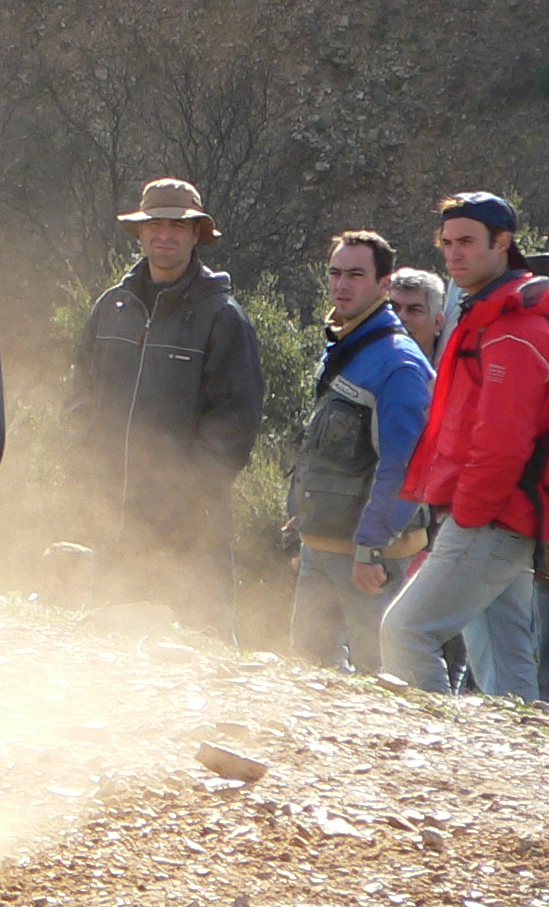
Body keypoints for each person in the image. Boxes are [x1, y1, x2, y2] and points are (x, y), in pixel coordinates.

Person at [73, 178, 266, 637]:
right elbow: (82, 394)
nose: (165, 235)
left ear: (197, 234)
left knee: (202, 648)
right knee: (113, 647)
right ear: (139, 234)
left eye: (177, 227)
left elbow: (236, 421)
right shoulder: (111, 307)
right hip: (114, 513)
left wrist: (187, 490)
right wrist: (86, 468)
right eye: (155, 225)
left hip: (192, 526)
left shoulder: (223, 316)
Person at [381, 192, 549, 698]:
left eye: (468, 242)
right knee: (502, 659)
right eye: (448, 243)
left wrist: (467, 515)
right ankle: (517, 769)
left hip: (490, 515)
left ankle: (427, 757)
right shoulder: (493, 316)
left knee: (405, 631)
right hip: (497, 513)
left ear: (503, 243)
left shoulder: (513, 329)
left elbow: (503, 443)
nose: (455, 254)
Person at [284, 229, 432, 671]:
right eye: (334, 273)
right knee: (311, 675)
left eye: (355, 274)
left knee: (379, 678)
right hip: (322, 543)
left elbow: (403, 466)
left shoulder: (398, 362)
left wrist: (371, 547)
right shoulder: (348, 346)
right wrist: (300, 514)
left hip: (369, 558)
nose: (341, 285)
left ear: (383, 285)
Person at [392, 267, 449, 363]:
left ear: (438, 323)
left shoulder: (452, 372)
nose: (401, 317)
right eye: (394, 308)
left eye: (414, 310)